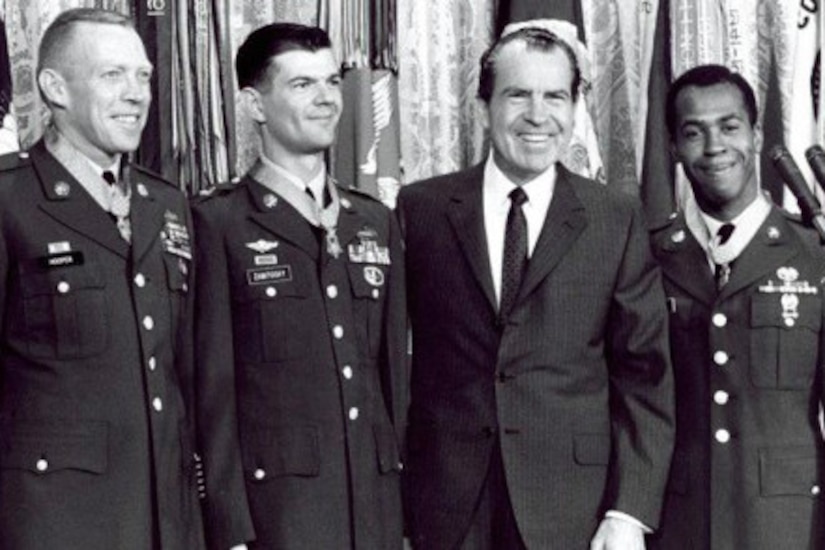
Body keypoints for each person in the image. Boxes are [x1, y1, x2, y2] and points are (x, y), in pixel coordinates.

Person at [397, 25, 674, 550]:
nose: (537, 115)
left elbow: (646, 376)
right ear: (484, 106)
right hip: (445, 507)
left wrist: (629, 512)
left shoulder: (614, 218)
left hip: (573, 508)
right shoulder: (421, 210)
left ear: (575, 107)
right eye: (518, 94)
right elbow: (388, 362)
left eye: (555, 96)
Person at [192, 23, 407, 550]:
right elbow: (211, 392)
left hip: (374, 513)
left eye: (331, 82)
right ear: (255, 104)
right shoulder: (217, 222)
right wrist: (230, 529)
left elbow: (394, 382)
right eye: (302, 85)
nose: (327, 99)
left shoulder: (371, 221)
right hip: (279, 518)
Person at [0, 8, 204, 549]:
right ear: (54, 88)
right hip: (52, 524)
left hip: (165, 520)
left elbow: (181, 378)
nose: (137, 94)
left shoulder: (166, 203)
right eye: (113, 76)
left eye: (143, 77)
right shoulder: (9, 199)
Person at [648, 64, 825, 549]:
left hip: (790, 525)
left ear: (755, 134)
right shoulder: (647, 257)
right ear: (672, 147)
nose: (714, 147)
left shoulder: (813, 253)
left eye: (729, 127)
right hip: (680, 523)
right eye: (693, 132)